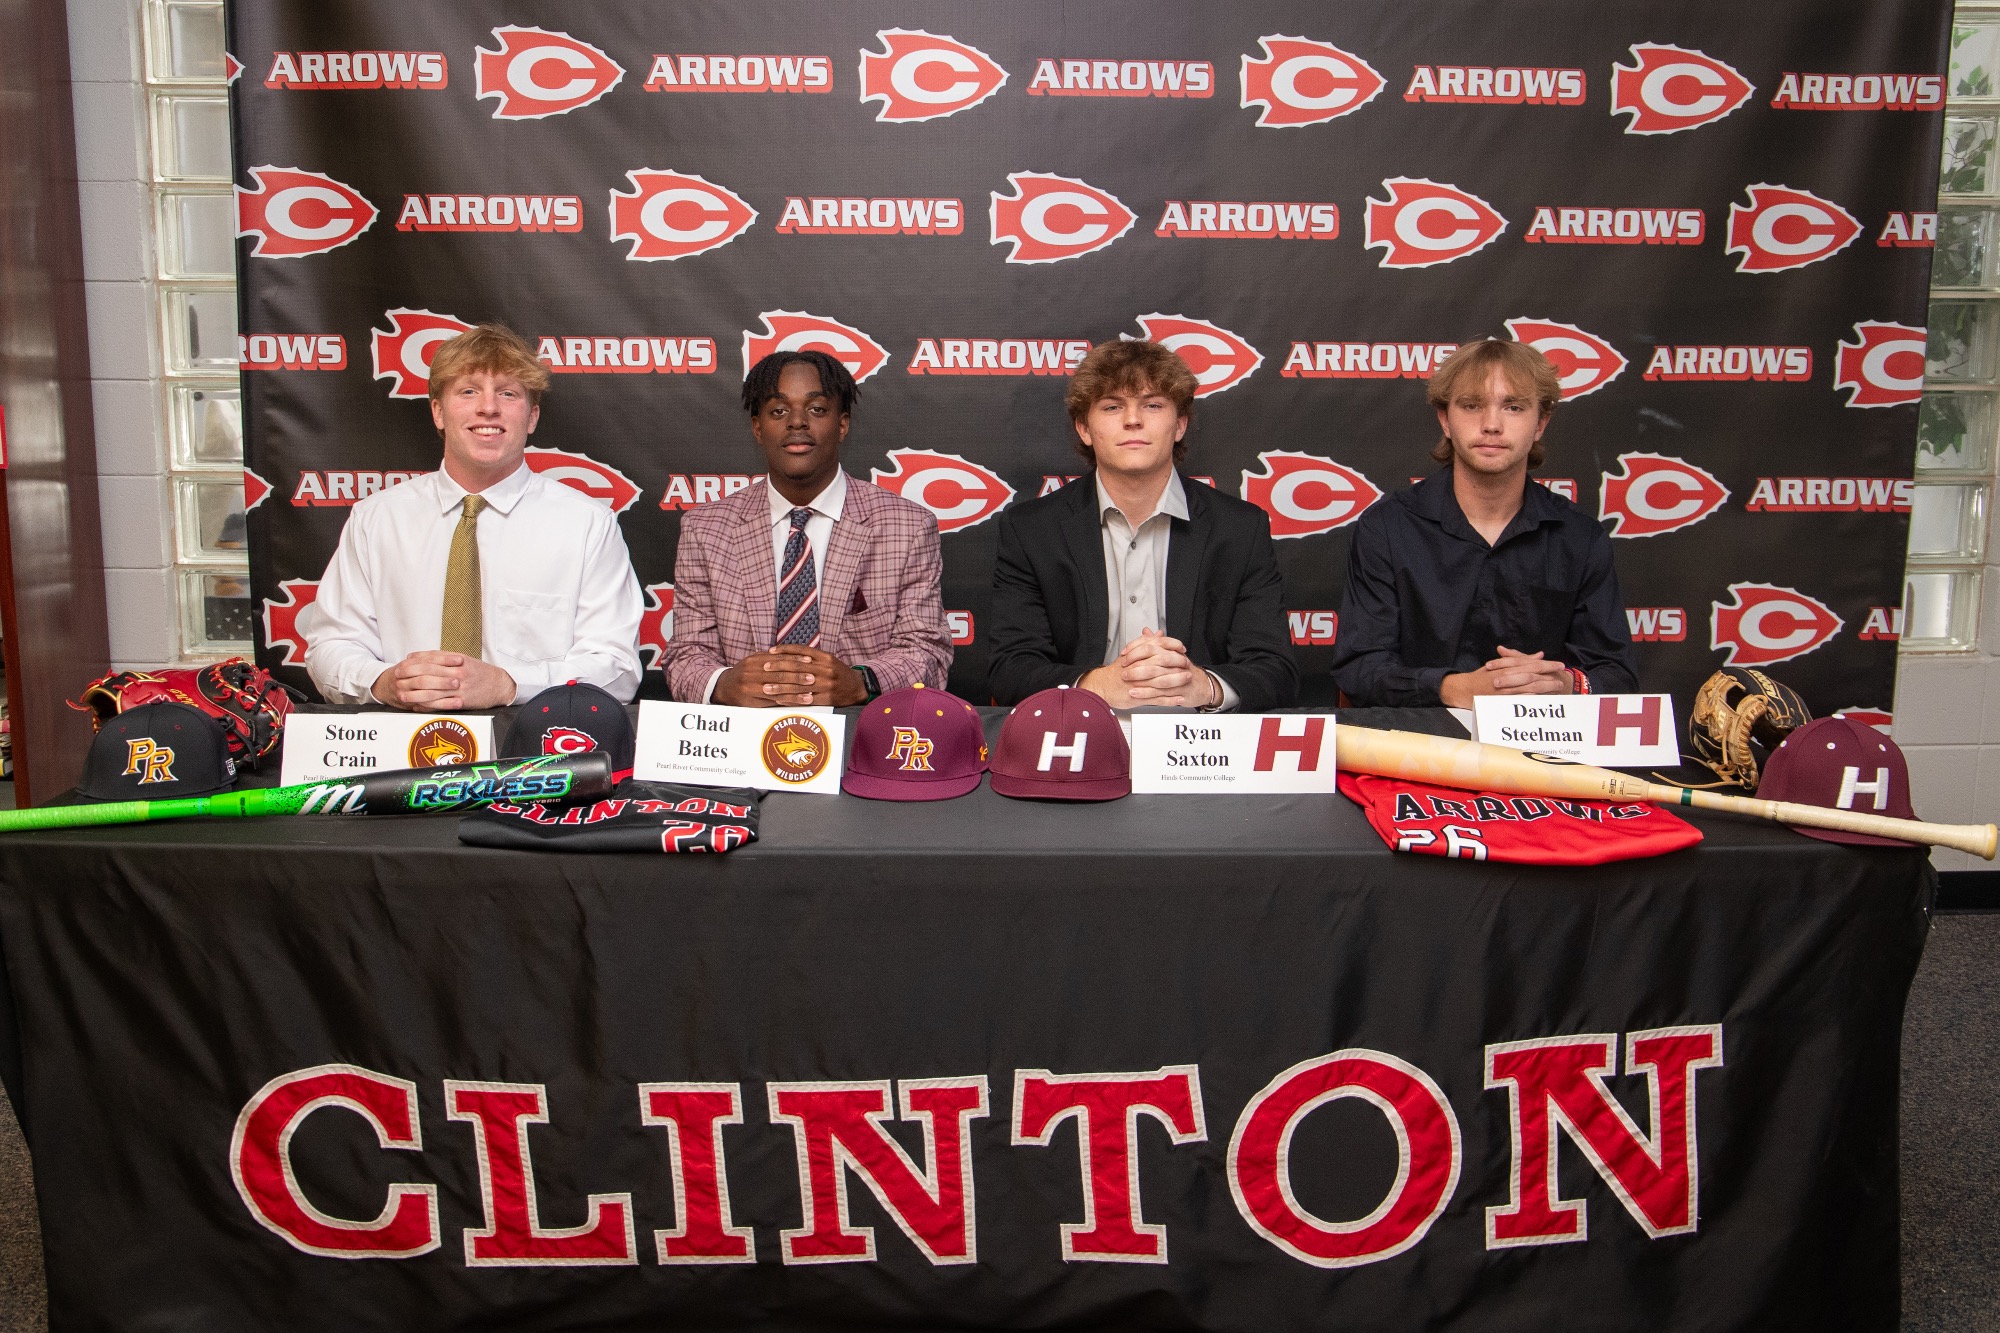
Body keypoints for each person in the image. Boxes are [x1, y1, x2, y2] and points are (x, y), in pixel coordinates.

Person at [302, 323, 643, 708]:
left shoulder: (587, 525)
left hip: (530, 741)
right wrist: (383, 682)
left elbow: (617, 668)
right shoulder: (376, 520)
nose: (488, 407)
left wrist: (509, 685)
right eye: (468, 391)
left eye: (508, 393)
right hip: (403, 737)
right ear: (438, 412)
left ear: (532, 417)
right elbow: (330, 646)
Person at [987, 340, 1298, 710]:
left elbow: (1275, 669)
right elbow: (1010, 668)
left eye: (1152, 405)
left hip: (1198, 735)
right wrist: (1095, 685)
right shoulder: (1031, 531)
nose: (1133, 419)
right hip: (1081, 728)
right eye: (1112, 406)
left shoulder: (1240, 529)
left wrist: (1204, 686)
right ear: (1084, 428)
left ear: (1179, 424)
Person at [1331, 337, 1637, 708]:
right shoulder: (1387, 528)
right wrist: (1453, 688)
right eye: (1472, 405)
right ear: (1445, 419)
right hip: (1419, 739)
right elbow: (1359, 668)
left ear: (1540, 423)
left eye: (1513, 407)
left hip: (1541, 737)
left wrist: (1564, 684)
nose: (1491, 424)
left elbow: (1617, 676)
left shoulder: (1580, 537)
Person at [659, 350, 952, 706]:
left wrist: (861, 682)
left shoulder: (907, 527)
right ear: (757, 428)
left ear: (842, 425)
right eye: (778, 411)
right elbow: (686, 653)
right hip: (743, 735)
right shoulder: (705, 530)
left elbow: (927, 650)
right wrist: (723, 683)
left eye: (816, 409)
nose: (797, 422)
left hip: (854, 731)